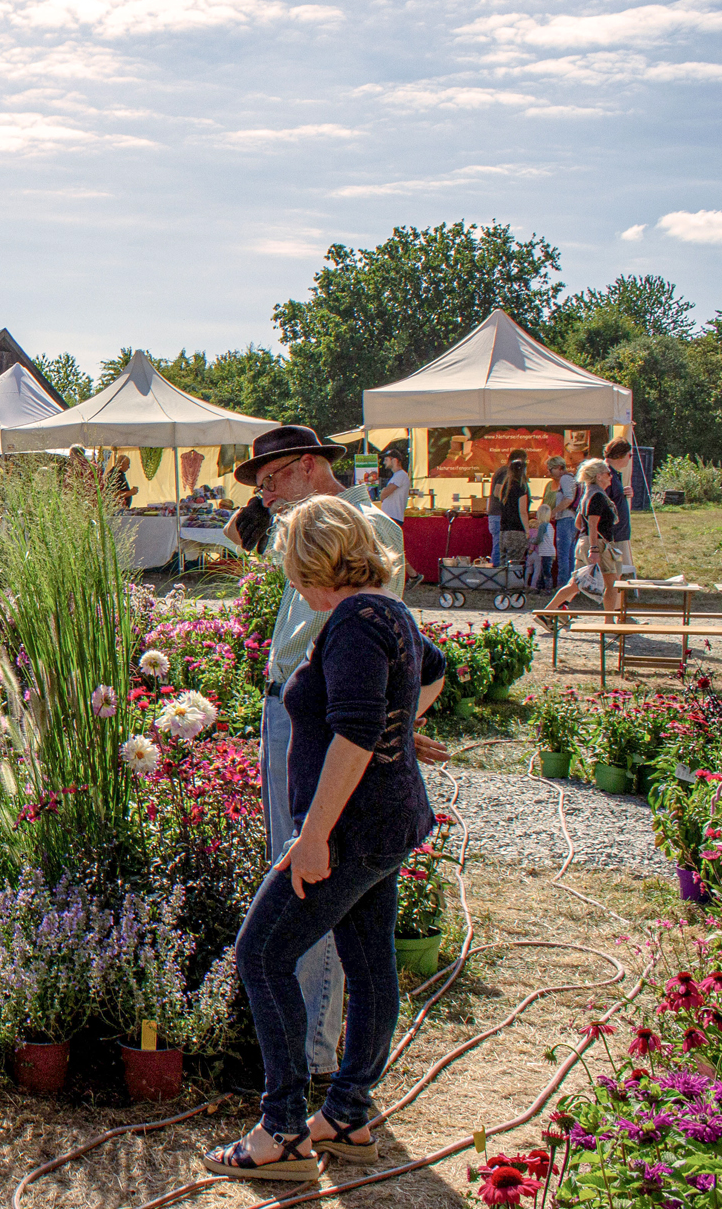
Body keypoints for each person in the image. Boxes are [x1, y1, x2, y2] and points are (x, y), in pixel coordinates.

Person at [203, 494, 444, 1180]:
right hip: (386, 819)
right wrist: (403, 723)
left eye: (290, 562)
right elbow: (429, 672)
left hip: (348, 828)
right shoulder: (388, 610)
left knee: (261, 952)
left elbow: (357, 730)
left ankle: (281, 1129)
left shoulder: (353, 622)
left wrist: (312, 836)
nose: (288, 575)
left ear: (314, 560)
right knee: (369, 965)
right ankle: (347, 1112)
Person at [223, 425, 420, 1093]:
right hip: (299, 707)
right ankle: (325, 1074)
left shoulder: (362, 527)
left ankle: (311, 1056)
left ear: (309, 466)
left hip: (334, 723)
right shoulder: (314, 524)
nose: (266, 494)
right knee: (308, 874)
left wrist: (392, 720)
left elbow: (393, 647)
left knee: (313, 879)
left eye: (273, 478)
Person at [542, 458, 621, 622]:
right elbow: (592, 523)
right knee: (612, 584)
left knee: (575, 584)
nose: (610, 477)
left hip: (583, 542)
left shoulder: (587, 494)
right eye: (608, 473)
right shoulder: (598, 496)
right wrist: (595, 548)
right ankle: (609, 622)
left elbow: (579, 522)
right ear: (599, 476)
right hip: (597, 543)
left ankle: (547, 611)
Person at [604, 438, 636, 578]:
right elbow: (601, 501)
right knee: (613, 575)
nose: (630, 459)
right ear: (620, 455)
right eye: (630, 455)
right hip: (612, 534)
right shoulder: (605, 474)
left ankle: (616, 598)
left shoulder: (614, 474)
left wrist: (624, 492)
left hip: (618, 533)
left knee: (617, 573)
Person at [547, 456, 578, 581]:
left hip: (566, 519)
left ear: (559, 468)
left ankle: (563, 583)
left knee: (563, 554)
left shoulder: (565, 479)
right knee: (570, 554)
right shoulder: (571, 478)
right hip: (571, 520)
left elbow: (569, 498)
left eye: (550, 470)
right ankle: (570, 583)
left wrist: (554, 512)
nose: (549, 473)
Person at [527, 504, 556, 592]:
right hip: (550, 551)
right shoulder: (550, 526)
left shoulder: (542, 526)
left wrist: (530, 540)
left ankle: (547, 589)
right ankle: (541, 587)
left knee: (545, 571)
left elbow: (539, 539)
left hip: (545, 552)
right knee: (545, 570)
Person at [377, 450, 409, 522]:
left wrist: (382, 493)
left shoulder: (400, 475)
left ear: (394, 460)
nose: (384, 462)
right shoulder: (398, 475)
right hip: (392, 517)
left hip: (393, 517)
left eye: (386, 460)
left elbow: (385, 492)